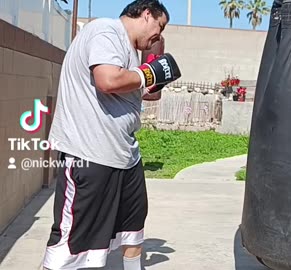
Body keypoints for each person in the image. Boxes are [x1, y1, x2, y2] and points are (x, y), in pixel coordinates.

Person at [42, 0, 181, 269]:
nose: (158, 35)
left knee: (133, 232)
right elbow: (108, 80)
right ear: (146, 14)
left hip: (125, 157)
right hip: (90, 154)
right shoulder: (105, 31)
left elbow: (147, 93)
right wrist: (146, 73)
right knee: (71, 244)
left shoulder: (129, 52)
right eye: (159, 27)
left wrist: (156, 69)